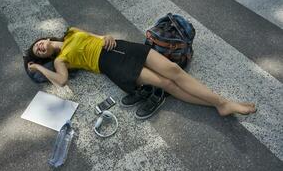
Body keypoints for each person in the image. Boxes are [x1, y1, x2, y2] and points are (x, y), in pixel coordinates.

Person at [24, 27, 256, 119]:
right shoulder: (61, 61)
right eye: (39, 53)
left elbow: (95, 36)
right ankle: (221, 104)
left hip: (120, 47)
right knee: (166, 84)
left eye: (38, 45)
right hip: (110, 64)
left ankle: (221, 103)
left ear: (44, 39)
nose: (41, 48)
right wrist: (38, 68)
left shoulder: (71, 31)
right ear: (46, 58)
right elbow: (62, 81)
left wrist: (106, 36)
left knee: (174, 70)